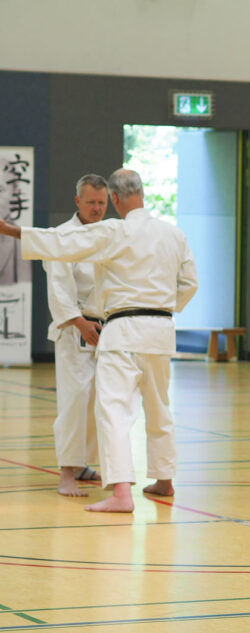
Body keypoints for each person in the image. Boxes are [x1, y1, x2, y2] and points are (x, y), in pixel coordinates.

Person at [0, 168, 199, 512]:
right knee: (159, 406)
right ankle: (164, 480)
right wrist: (163, 309)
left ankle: (122, 494)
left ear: (116, 200)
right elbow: (190, 284)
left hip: (122, 331)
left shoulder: (114, 231)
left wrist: (8, 230)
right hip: (161, 329)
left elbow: (60, 243)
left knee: (114, 412)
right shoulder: (173, 233)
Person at [45, 174, 109, 496]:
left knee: (101, 399)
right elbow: (58, 289)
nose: (97, 209)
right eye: (91, 203)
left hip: (108, 329)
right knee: (75, 400)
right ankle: (66, 473)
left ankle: (84, 463)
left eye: (102, 203)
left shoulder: (112, 234)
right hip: (75, 331)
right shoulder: (62, 237)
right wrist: (80, 321)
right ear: (77, 202)